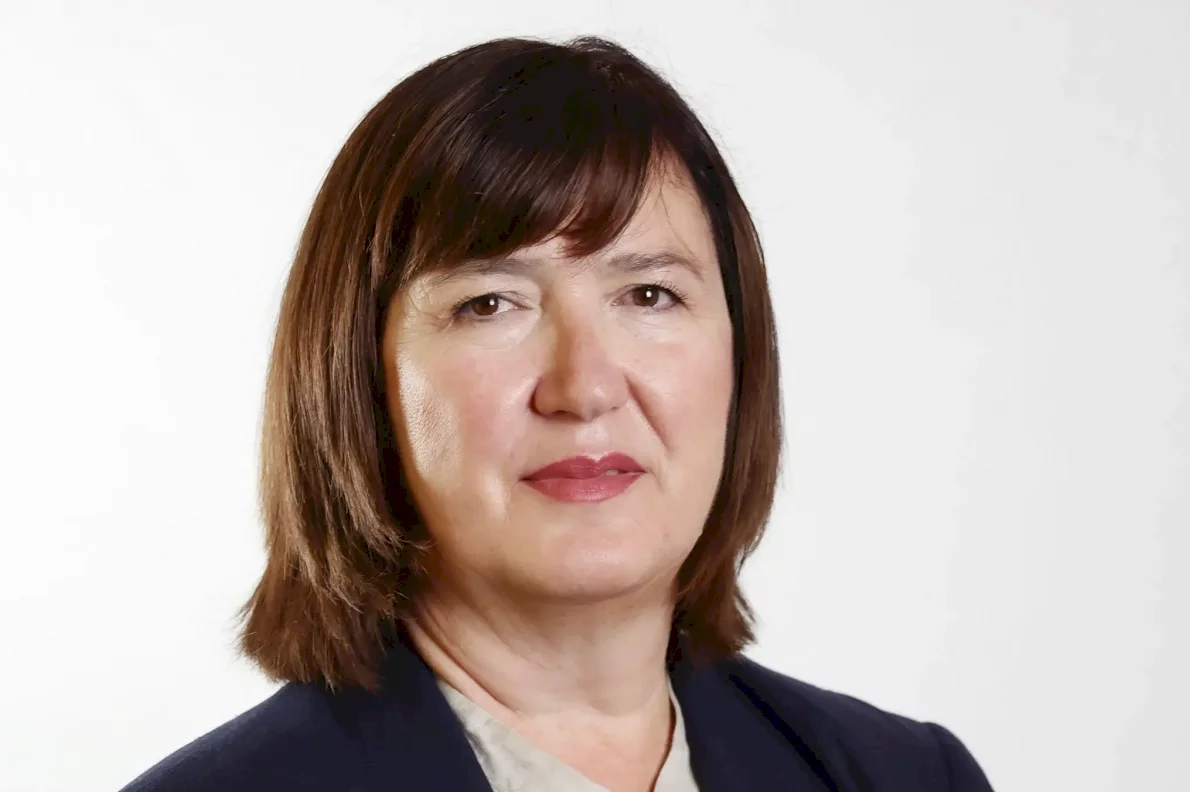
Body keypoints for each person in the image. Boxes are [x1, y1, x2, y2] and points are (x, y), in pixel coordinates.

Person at [120, 34, 993, 792]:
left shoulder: (907, 780)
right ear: (360, 378)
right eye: (490, 303)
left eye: (649, 294)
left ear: (742, 357)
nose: (585, 387)